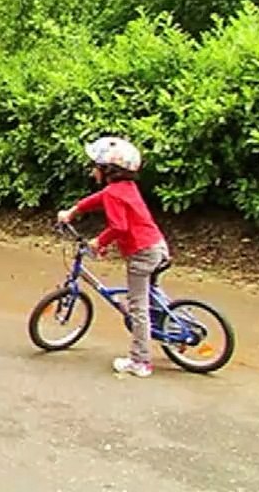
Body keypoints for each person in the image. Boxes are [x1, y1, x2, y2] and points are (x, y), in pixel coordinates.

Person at [57, 136, 170, 378]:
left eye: (95, 166)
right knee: (154, 296)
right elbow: (96, 200)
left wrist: (99, 242)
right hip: (157, 246)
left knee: (137, 306)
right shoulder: (123, 189)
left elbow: (119, 227)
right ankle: (177, 326)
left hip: (142, 253)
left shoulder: (113, 194)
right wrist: (73, 211)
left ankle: (140, 361)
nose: (92, 171)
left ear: (108, 169)